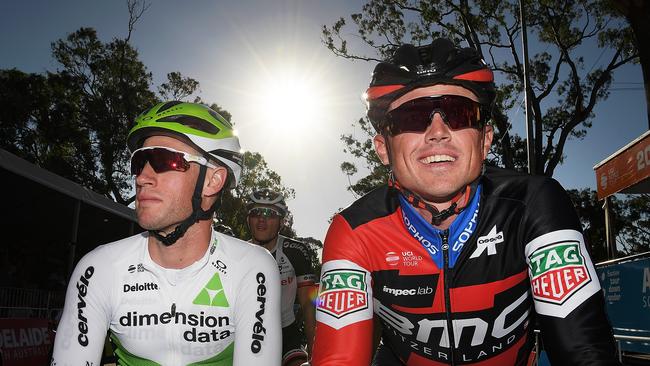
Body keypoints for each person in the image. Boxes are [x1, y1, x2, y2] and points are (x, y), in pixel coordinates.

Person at [311, 39, 620, 365]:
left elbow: (584, 352)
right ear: (383, 147)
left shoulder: (531, 204)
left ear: (485, 139)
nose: (438, 131)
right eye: (413, 117)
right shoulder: (355, 231)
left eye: (458, 114)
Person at [51, 101, 281, 365]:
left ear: (212, 180)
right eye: (139, 162)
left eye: (165, 160)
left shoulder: (252, 267)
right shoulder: (99, 268)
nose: (141, 178)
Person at [247, 189, 317, 366]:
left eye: (270, 214)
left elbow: (310, 305)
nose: (262, 219)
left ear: (281, 222)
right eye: (256, 213)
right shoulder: (237, 253)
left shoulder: (296, 252)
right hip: (247, 331)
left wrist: (315, 355)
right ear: (248, 219)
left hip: (287, 330)